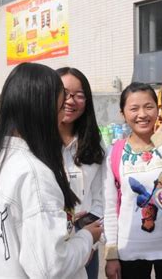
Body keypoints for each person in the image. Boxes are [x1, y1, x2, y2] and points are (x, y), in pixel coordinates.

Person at [0, 63, 103, 278]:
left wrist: (63, 220)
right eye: (61, 107)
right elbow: (50, 267)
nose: (62, 116)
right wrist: (87, 237)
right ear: (41, 109)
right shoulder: (35, 174)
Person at [104, 82, 162, 279]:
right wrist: (111, 253)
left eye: (148, 107)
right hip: (131, 249)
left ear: (158, 110)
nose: (142, 114)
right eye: (134, 108)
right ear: (122, 113)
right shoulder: (115, 153)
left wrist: (161, 138)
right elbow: (110, 207)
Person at [57, 67, 105, 279]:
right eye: (64, 93)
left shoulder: (95, 141)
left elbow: (103, 191)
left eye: (79, 95)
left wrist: (90, 239)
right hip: (51, 236)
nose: (70, 101)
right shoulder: (36, 143)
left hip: (86, 233)